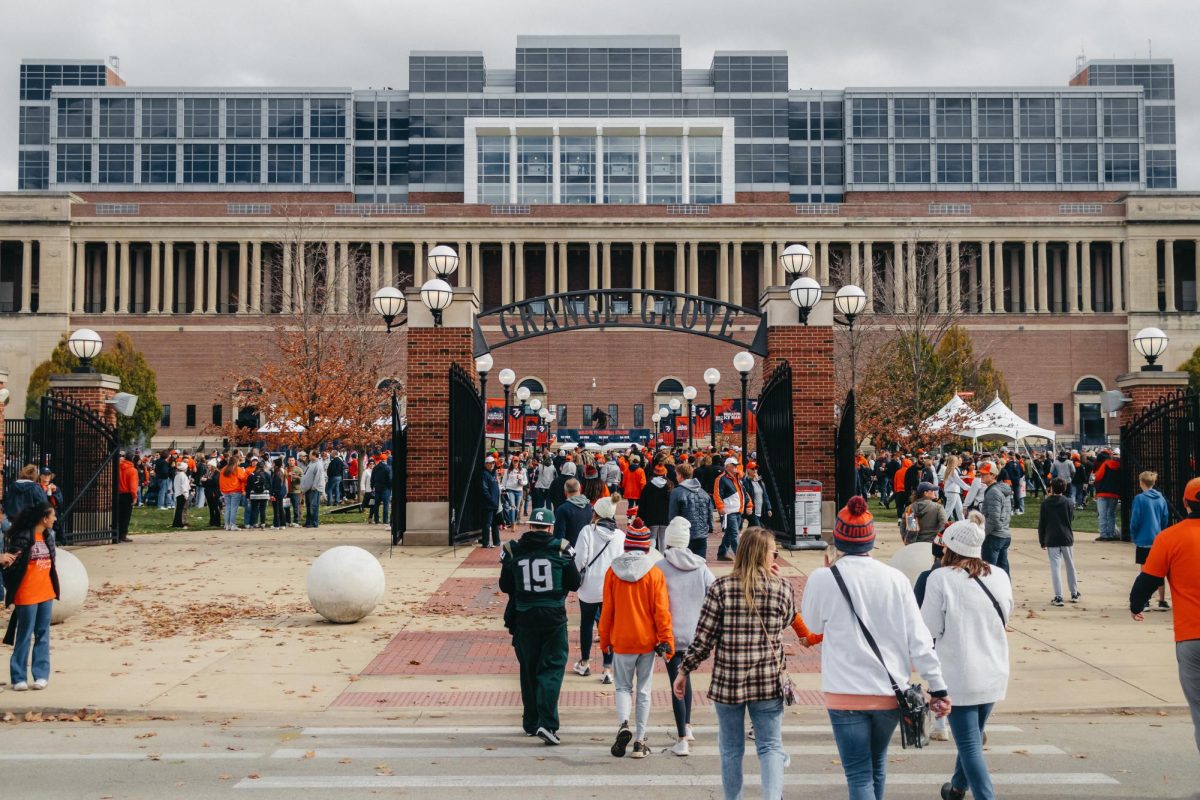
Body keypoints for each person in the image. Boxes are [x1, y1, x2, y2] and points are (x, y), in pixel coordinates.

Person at [800, 496, 950, 800]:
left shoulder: (822, 578)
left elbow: (813, 626)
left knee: (857, 775)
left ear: (837, 540)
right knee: (877, 765)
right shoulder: (895, 579)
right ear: (871, 540)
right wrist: (939, 687)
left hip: (844, 692)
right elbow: (919, 640)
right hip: (889, 692)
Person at [675, 527, 794, 798]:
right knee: (771, 746)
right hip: (768, 680)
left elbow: (704, 637)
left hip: (729, 681)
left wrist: (685, 670)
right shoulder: (782, 587)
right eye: (774, 552)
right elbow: (786, 620)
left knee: (730, 748)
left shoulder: (721, 588)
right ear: (766, 555)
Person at [921, 518, 1014, 800]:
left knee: (970, 746)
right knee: (972, 737)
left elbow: (929, 628)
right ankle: (957, 788)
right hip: (994, 668)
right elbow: (1006, 615)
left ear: (948, 547)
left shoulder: (940, 578)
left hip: (959, 676)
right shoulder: (999, 575)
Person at [1129, 476, 1200, 755]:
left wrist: (1136, 606)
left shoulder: (1170, 538)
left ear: (1185, 502)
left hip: (1191, 636)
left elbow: (1147, 581)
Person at [498, 506, 580, 746]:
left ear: (530, 525)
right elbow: (575, 583)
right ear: (550, 527)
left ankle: (531, 721)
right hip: (553, 615)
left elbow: (505, 585)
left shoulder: (512, 550)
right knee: (552, 668)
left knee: (528, 668)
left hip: (524, 616)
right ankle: (548, 722)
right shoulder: (561, 549)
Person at [599, 519, 673, 760]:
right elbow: (661, 611)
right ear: (646, 548)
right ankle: (640, 741)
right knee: (644, 690)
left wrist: (604, 640)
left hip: (621, 639)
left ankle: (623, 724)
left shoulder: (612, 572)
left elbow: (607, 610)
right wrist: (667, 641)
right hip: (647, 641)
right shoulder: (654, 574)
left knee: (622, 687)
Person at [656, 516, 715, 756]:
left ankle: (681, 737)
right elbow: (714, 592)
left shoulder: (659, 567)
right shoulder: (701, 567)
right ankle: (688, 726)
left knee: (675, 683)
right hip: (695, 634)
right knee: (685, 678)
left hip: (670, 635)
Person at [3, 503, 60, 692]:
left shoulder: (48, 536)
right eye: (52, 515)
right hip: (27, 593)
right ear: (44, 518)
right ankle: (18, 676)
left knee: (43, 634)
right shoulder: (23, 537)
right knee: (24, 634)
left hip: (46, 592)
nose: (55, 519)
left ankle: (41, 675)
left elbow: (51, 565)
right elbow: (11, 565)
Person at [572, 496, 625, 684]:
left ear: (597, 513)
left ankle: (585, 662)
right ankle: (608, 668)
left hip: (589, 587)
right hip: (611, 588)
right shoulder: (620, 536)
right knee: (607, 627)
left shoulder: (587, 531)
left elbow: (580, 560)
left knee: (586, 624)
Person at [1129, 470, 1171, 611]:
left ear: (1142, 483)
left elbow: (1135, 519)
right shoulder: (1161, 498)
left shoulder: (1140, 499)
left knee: (1145, 571)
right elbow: (1165, 518)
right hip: (1158, 538)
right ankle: (1162, 600)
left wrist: (1133, 534)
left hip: (1143, 538)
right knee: (1160, 570)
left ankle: (1145, 601)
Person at [1038, 477, 1080, 606]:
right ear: (1065, 488)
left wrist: (1042, 540)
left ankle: (1058, 596)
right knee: (1070, 566)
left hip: (1052, 538)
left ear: (1051, 487)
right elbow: (1071, 517)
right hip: (1066, 537)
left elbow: (1042, 523)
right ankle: (1074, 592)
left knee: (1055, 568)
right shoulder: (1068, 502)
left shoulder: (1046, 503)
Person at [979, 460, 1013, 575]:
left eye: (985, 473)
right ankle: (1005, 592)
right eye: (981, 473)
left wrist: (984, 533)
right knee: (1002, 571)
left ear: (993, 475)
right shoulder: (1001, 489)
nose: (982, 476)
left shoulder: (993, 491)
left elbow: (994, 517)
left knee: (989, 572)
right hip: (1004, 534)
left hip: (994, 536)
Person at [713, 457, 746, 561]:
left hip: (737, 510)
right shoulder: (721, 478)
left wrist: (748, 505)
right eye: (734, 465)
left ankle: (722, 553)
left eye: (736, 465)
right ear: (727, 466)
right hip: (729, 511)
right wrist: (720, 507)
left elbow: (743, 493)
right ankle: (741, 558)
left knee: (730, 533)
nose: (736, 467)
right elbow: (717, 494)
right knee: (735, 533)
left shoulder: (736, 478)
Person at [638, 463, 673, 549]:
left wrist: (640, 516)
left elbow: (642, 502)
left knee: (652, 537)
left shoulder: (649, 485)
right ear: (665, 473)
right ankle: (663, 557)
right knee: (663, 538)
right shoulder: (670, 485)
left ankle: (652, 557)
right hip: (665, 515)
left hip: (651, 516)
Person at [552, 478, 592, 548]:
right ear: (580, 490)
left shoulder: (563, 509)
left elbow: (560, 536)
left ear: (565, 492)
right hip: (587, 548)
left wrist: (562, 553)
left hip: (570, 551)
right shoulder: (589, 507)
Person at [1093, 450, 1122, 541]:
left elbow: (1098, 477)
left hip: (1102, 492)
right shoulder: (1119, 466)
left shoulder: (1105, 464)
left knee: (1102, 514)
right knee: (1111, 514)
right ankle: (1111, 534)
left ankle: (1104, 534)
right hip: (1114, 493)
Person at [219, 454, 247, 531]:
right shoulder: (238, 469)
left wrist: (222, 490)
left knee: (228, 508)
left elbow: (220, 481)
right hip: (235, 490)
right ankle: (232, 525)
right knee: (233, 508)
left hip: (226, 491)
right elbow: (244, 479)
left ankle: (227, 525)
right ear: (236, 462)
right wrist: (245, 472)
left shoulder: (223, 469)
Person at [299, 450, 325, 528]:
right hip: (308, 489)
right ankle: (308, 521)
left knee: (313, 506)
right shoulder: (311, 463)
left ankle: (314, 522)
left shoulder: (318, 465)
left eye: (309, 455)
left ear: (314, 455)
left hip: (314, 489)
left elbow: (318, 478)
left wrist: (314, 487)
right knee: (309, 506)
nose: (308, 456)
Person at [116, 452, 139, 543]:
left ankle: (116, 533)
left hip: (118, 493)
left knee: (118, 515)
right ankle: (123, 534)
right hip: (127, 494)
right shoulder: (132, 470)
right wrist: (134, 497)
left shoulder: (118, 467)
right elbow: (133, 486)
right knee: (126, 516)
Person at [742, 461, 772, 528]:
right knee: (758, 528)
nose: (755, 470)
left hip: (760, 510)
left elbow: (765, 495)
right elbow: (744, 495)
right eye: (752, 469)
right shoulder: (746, 482)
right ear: (748, 470)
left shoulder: (760, 481)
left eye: (756, 468)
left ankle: (746, 538)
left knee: (752, 529)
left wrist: (769, 508)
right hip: (752, 511)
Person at [480, 456, 502, 548]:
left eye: (493, 463)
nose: (492, 465)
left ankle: (497, 542)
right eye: (490, 463)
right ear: (486, 464)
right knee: (487, 523)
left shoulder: (493, 474)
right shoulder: (485, 474)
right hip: (489, 504)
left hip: (495, 503)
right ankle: (485, 542)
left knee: (495, 523)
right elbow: (484, 489)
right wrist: (491, 499)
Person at [501, 456, 527, 528]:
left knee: (517, 508)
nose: (515, 463)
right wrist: (503, 489)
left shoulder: (523, 470)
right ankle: (513, 524)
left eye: (517, 461)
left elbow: (526, 481)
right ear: (512, 462)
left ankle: (514, 521)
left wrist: (521, 482)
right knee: (512, 506)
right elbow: (504, 481)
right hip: (510, 490)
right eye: (514, 461)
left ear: (519, 462)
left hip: (519, 491)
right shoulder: (508, 470)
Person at [245, 458, 270, 530]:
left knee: (254, 509)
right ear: (263, 467)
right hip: (264, 495)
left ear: (256, 466)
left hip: (254, 495)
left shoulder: (251, 475)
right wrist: (270, 493)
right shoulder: (266, 474)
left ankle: (252, 524)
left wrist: (248, 495)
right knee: (263, 510)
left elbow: (248, 486)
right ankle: (263, 524)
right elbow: (269, 485)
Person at [941, 455, 967, 522]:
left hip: (953, 492)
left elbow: (956, 479)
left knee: (959, 510)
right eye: (957, 460)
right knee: (948, 511)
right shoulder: (953, 471)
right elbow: (958, 481)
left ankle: (963, 524)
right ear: (954, 462)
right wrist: (970, 488)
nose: (958, 461)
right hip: (952, 492)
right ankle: (939, 527)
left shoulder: (949, 470)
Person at [370, 457, 393, 526]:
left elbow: (372, 478)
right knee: (386, 505)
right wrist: (390, 487)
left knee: (376, 505)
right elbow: (389, 478)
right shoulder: (387, 468)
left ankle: (376, 520)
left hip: (377, 488)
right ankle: (385, 520)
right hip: (385, 488)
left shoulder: (375, 468)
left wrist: (372, 487)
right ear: (385, 460)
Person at [168, 460, 190, 528]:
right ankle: (179, 524)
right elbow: (184, 486)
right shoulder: (183, 476)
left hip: (178, 493)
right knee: (180, 510)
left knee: (178, 509)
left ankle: (176, 523)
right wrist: (186, 495)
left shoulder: (177, 475)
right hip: (182, 494)